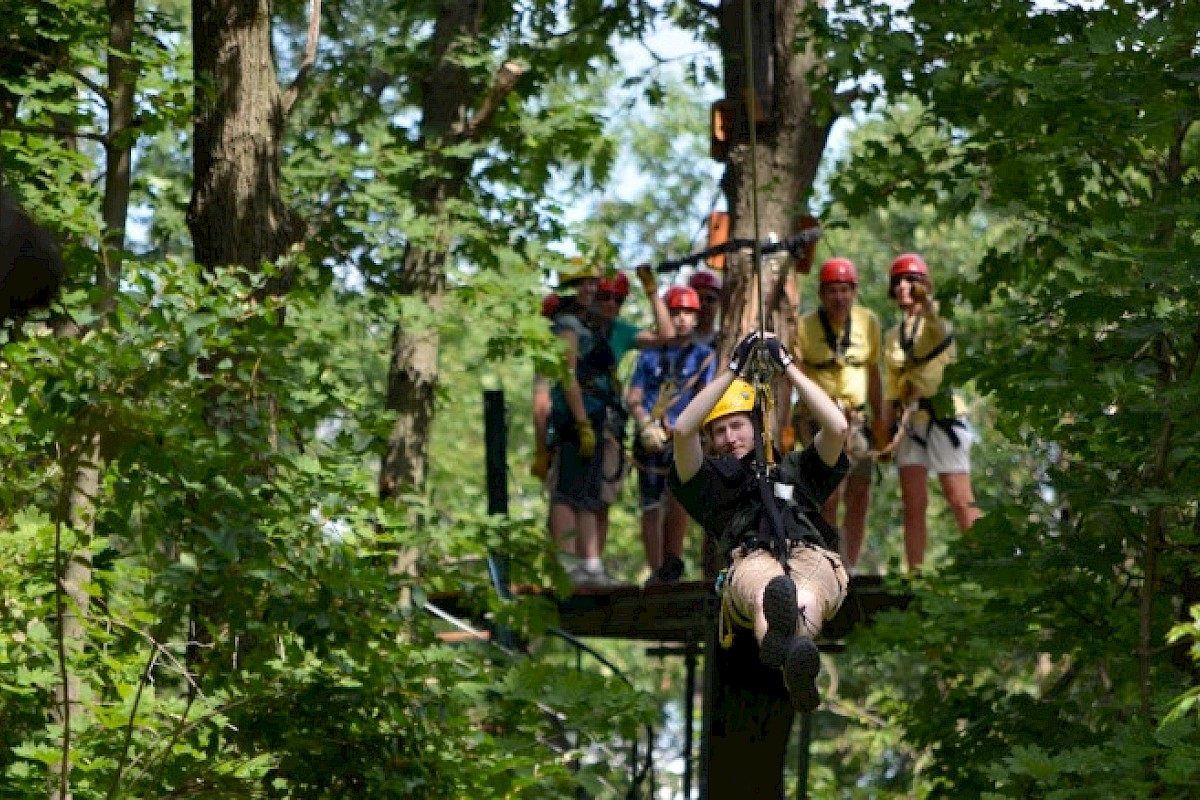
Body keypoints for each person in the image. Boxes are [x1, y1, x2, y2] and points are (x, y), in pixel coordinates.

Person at [669, 332, 850, 712]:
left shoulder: (796, 471)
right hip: (750, 558)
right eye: (719, 431)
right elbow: (683, 431)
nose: (729, 437)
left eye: (736, 425)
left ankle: (792, 662)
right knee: (769, 592)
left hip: (810, 553)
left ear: (757, 423)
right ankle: (791, 661)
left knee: (806, 595)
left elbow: (837, 427)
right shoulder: (710, 485)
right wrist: (733, 370)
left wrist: (787, 367)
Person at [881, 253, 981, 572]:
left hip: (943, 416)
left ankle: (987, 567)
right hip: (911, 422)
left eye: (910, 280)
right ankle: (916, 578)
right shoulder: (893, 337)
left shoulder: (935, 322)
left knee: (959, 498)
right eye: (898, 282)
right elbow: (890, 387)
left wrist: (925, 297)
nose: (903, 287)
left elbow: (935, 318)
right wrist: (884, 432)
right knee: (913, 504)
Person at [789, 257, 886, 570]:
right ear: (821, 294)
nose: (839, 297)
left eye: (845, 290)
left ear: (854, 292)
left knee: (859, 492)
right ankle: (826, 562)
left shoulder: (868, 322)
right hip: (820, 420)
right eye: (832, 291)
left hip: (858, 421)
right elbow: (797, 377)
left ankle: (851, 565)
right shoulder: (805, 327)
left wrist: (882, 420)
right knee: (827, 494)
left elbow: (874, 375)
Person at [534, 260, 625, 588]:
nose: (590, 289)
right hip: (575, 421)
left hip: (594, 419)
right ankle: (568, 564)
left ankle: (590, 565)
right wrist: (581, 423)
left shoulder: (588, 325)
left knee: (588, 494)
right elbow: (567, 377)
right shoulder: (567, 325)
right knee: (566, 494)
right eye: (582, 284)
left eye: (593, 283)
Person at [626, 285, 716, 586]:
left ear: (696, 317)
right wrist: (643, 424)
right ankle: (655, 569)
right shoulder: (650, 356)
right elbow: (634, 396)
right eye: (675, 313)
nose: (681, 319)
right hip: (651, 438)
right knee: (651, 504)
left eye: (688, 313)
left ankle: (672, 563)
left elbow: (705, 397)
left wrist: (695, 432)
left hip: (683, 436)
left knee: (680, 499)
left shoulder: (704, 357)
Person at [688, 268, 723, 348]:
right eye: (698, 299)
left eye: (710, 299)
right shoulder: (680, 340)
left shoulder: (725, 339)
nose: (704, 304)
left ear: (719, 303)